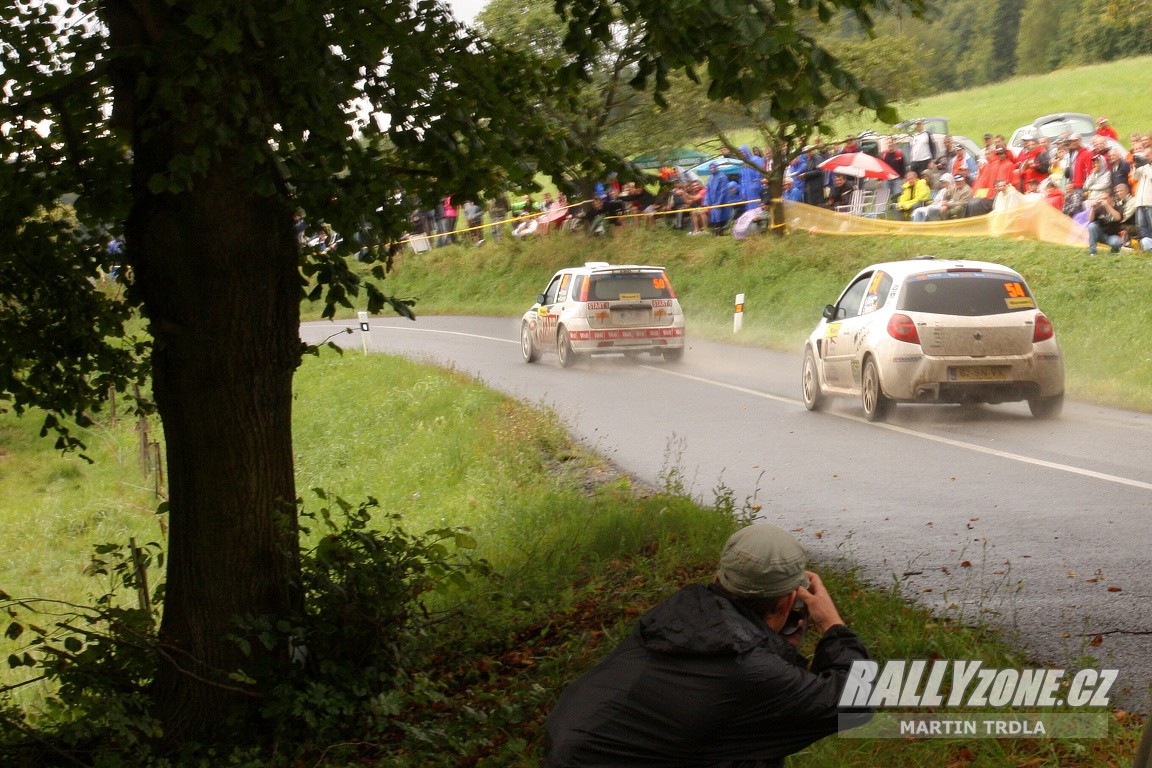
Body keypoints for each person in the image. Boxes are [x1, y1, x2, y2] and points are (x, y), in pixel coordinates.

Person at [542, 524, 871, 768]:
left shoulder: (677, 618)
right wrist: (833, 627)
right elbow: (856, 704)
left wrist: (774, 646)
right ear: (789, 602)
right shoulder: (749, 667)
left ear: (719, 580)